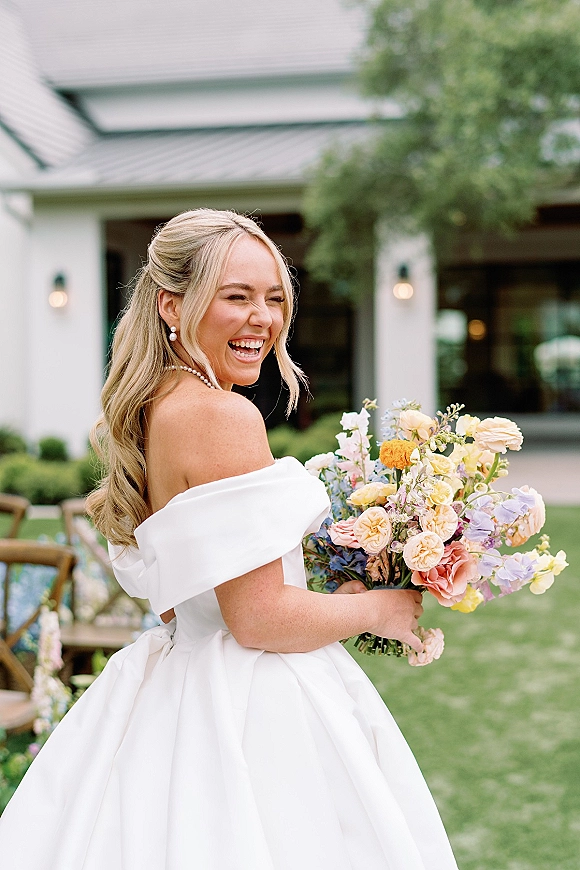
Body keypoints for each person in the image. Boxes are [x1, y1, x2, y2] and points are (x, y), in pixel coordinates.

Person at [0, 209, 458, 869]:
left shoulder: (156, 405)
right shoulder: (222, 415)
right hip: (254, 707)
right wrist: (380, 608)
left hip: (179, 678)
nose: (263, 319)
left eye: (274, 298)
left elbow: (179, 599)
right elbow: (258, 617)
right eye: (236, 296)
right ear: (173, 306)